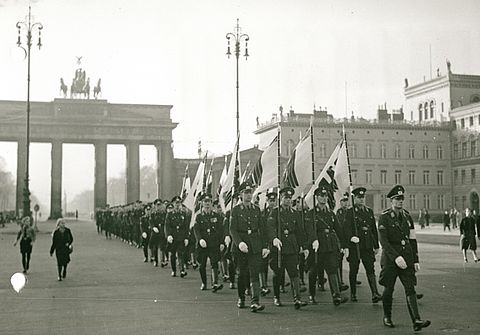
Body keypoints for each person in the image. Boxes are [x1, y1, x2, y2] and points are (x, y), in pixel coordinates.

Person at [378, 185, 430, 331]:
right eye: (397, 199)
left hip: (406, 257)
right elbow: (384, 242)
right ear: (391, 201)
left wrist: (415, 259)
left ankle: (416, 320)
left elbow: (412, 239)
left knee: (410, 288)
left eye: (402, 199)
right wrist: (395, 257)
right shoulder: (384, 217)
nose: (400, 201)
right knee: (389, 288)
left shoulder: (407, 217)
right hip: (390, 258)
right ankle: (387, 316)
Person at [305, 180, 348, 306]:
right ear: (316, 197)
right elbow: (310, 229)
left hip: (329, 245)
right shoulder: (311, 213)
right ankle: (312, 295)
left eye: (325, 196)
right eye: (321, 196)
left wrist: (344, 245)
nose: (323, 198)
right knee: (313, 271)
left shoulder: (330, 213)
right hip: (317, 246)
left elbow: (338, 229)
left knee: (332, 269)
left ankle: (336, 295)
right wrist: (314, 240)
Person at [230, 181, 270, 312]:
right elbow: (232, 229)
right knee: (242, 274)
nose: (248, 195)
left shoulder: (256, 210)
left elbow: (262, 229)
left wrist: (265, 246)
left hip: (254, 245)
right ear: (240, 194)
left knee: (254, 272)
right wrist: (239, 242)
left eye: (250, 192)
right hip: (241, 246)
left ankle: (255, 301)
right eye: (246, 193)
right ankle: (241, 298)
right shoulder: (235, 210)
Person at [267, 186, 308, 309]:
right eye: (286, 197)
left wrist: (304, 246)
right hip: (278, 246)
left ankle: (297, 298)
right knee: (278, 273)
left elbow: (300, 231)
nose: (288, 200)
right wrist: (274, 238)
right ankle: (277, 297)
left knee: (294, 272)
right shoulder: (275, 212)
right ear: (281, 198)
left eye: (290, 198)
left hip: (291, 246)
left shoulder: (295, 213)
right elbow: (269, 227)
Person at [344, 187, 382, 303]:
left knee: (370, 269)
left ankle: (375, 293)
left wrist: (376, 245)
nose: (361, 199)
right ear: (354, 198)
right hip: (355, 246)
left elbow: (373, 230)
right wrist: (351, 237)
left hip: (367, 245)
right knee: (354, 269)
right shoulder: (350, 212)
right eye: (359, 197)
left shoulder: (369, 211)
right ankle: (353, 293)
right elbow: (346, 228)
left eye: (363, 197)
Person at [193, 193, 225, 291]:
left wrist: (222, 242)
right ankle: (204, 282)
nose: (207, 204)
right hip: (203, 244)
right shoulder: (198, 216)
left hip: (214, 243)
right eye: (205, 202)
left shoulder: (216, 216)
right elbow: (196, 230)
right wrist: (200, 239)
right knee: (202, 265)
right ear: (201, 203)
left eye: (209, 202)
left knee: (214, 262)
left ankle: (214, 283)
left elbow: (220, 230)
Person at [165, 196, 189, 278]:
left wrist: (186, 237)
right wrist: (168, 235)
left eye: (179, 203)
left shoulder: (183, 214)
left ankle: (182, 270)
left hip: (181, 237)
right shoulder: (170, 214)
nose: (178, 205)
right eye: (176, 203)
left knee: (181, 253)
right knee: (172, 254)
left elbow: (186, 227)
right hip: (173, 237)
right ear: (173, 204)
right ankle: (174, 270)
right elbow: (167, 226)